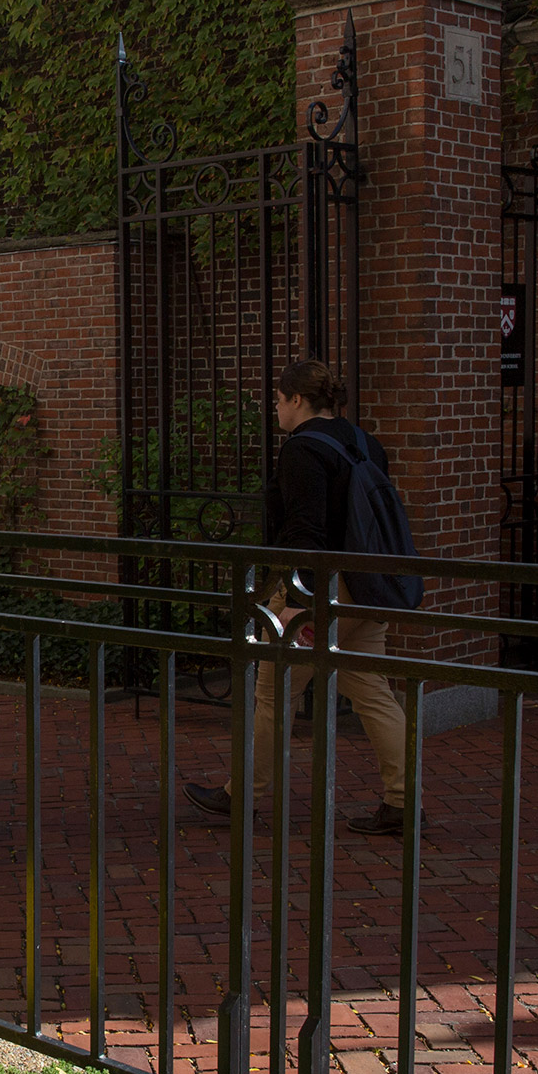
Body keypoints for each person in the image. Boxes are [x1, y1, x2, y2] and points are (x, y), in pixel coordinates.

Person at [184, 358, 412, 836]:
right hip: (368, 585)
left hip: (323, 590)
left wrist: (297, 600)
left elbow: (306, 532)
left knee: (273, 691)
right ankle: (402, 802)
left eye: (279, 399)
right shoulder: (365, 443)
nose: (276, 408)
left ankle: (240, 796)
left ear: (297, 400)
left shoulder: (302, 450)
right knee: (373, 692)